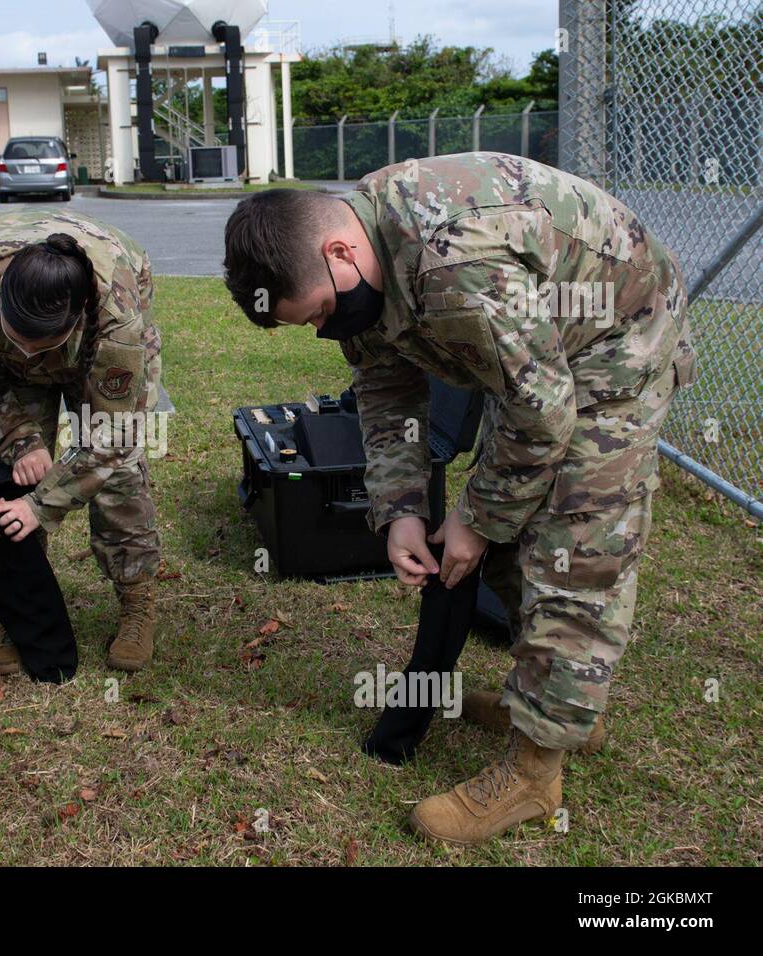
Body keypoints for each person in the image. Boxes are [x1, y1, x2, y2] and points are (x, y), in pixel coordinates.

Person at [222, 152, 696, 846]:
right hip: (539, 358)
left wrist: (474, 519)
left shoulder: (453, 263)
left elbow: (544, 417)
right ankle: (562, 706)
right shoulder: (365, 253)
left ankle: (538, 769)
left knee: (574, 548)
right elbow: (386, 390)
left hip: (615, 346)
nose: (327, 330)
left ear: (339, 250)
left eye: (322, 311)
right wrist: (403, 509)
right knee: (504, 536)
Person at [0, 209, 162, 673]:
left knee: (117, 479)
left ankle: (137, 600)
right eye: (18, 342)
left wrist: (43, 506)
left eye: (40, 349)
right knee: (16, 481)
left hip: (96, 347)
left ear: (77, 319)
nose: (28, 357)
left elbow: (113, 435)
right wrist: (21, 441)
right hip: (11, 355)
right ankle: (24, 605)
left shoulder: (117, 321)